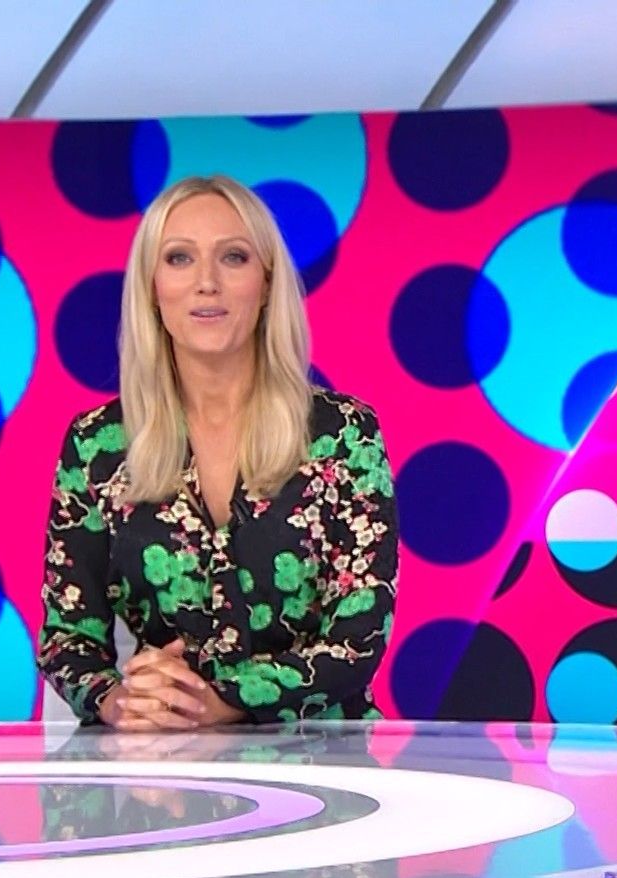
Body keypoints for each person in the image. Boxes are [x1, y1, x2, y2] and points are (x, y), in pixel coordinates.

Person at [37, 175, 398, 729]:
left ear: (266, 283)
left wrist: (219, 702)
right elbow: (68, 636)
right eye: (179, 258)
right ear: (152, 287)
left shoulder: (345, 434)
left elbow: (358, 636)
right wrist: (121, 701)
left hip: (322, 754)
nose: (207, 282)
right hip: (159, 758)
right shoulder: (96, 444)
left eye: (233, 257)